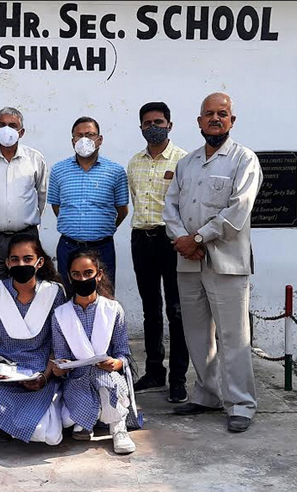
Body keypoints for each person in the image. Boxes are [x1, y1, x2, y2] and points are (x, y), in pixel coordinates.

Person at [162, 93, 263, 433]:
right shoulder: (186, 163)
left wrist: (199, 238)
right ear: (199, 121)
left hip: (226, 262)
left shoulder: (244, 160)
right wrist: (182, 241)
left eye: (223, 114)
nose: (215, 119)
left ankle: (241, 404)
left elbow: (237, 211)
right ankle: (207, 394)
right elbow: (170, 207)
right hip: (188, 261)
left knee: (234, 336)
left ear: (232, 120)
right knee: (197, 334)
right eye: (209, 114)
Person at [0, 234, 65, 445]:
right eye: (15, 259)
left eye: (27, 259)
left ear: (39, 262)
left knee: (47, 436)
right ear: (7, 263)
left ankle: (12, 421)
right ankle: (5, 422)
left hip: (39, 372)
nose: (21, 264)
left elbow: (57, 345)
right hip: (6, 370)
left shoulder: (53, 292)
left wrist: (44, 377)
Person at [127, 102, 190, 403]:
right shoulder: (134, 163)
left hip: (172, 241)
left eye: (160, 121)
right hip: (141, 239)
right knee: (150, 308)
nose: (154, 126)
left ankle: (178, 377)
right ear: (140, 127)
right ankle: (155, 371)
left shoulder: (184, 161)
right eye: (148, 122)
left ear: (170, 125)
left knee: (177, 310)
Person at [51, 249, 140, 455]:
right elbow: (61, 355)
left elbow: (123, 354)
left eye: (88, 273)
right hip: (78, 379)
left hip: (107, 375)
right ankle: (94, 416)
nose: (82, 278)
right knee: (66, 420)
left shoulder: (113, 309)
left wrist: (115, 364)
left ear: (98, 274)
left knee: (107, 386)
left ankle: (118, 427)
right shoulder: (61, 315)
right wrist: (60, 367)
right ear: (70, 277)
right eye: (76, 274)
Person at [47, 117, 129, 291]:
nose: (85, 140)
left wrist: (101, 229)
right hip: (68, 247)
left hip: (102, 248)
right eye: (79, 135)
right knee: (67, 297)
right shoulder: (58, 170)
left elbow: (122, 209)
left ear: (100, 139)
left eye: (90, 135)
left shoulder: (116, 171)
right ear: (73, 141)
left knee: (104, 297)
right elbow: (57, 206)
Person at [0, 107, 46, 295]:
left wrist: (27, 222)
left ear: (22, 132)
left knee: (28, 290)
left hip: (26, 237)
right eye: (2, 125)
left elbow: (42, 196)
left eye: (12, 125)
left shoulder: (35, 159)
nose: (7, 130)